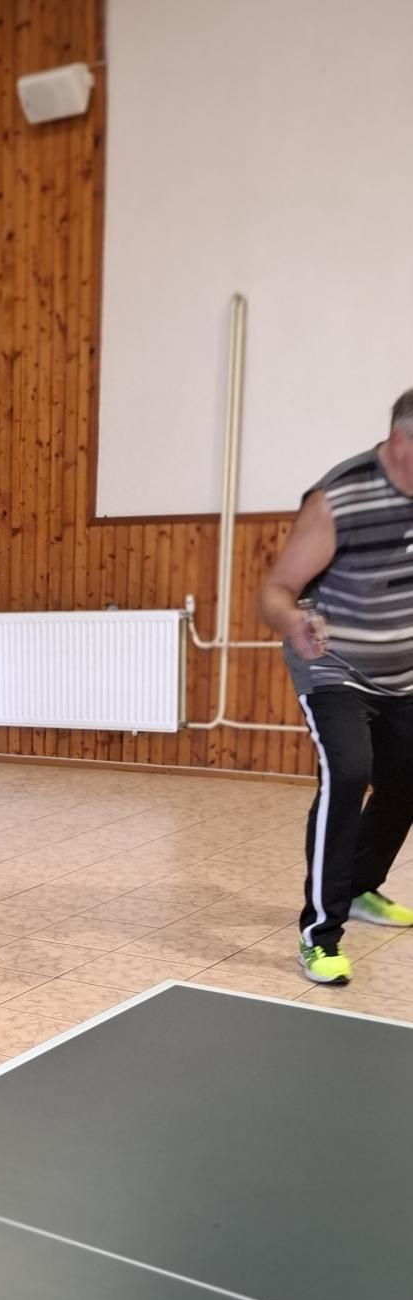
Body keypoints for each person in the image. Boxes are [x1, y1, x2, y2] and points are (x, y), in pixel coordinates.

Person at [259, 387, 413, 987]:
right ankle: (320, 934)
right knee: (348, 773)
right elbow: (275, 591)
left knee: (406, 778)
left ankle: (361, 884)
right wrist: (295, 622)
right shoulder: (340, 499)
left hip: (402, 671)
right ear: (399, 441)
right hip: (332, 664)